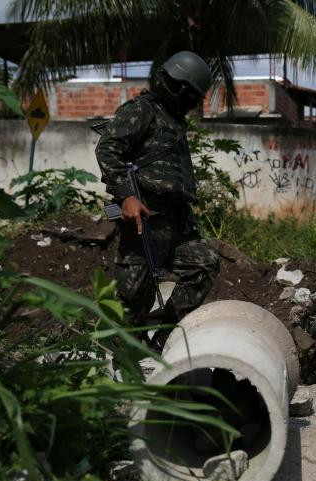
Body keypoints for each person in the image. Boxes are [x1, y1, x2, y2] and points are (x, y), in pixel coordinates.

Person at [95, 50, 220, 340]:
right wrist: (126, 196)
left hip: (176, 222)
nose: (193, 104)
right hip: (145, 221)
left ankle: (165, 334)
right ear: (179, 87)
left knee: (204, 263)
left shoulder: (173, 119)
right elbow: (107, 150)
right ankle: (116, 356)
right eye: (193, 97)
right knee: (134, 302)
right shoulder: (142, 110)